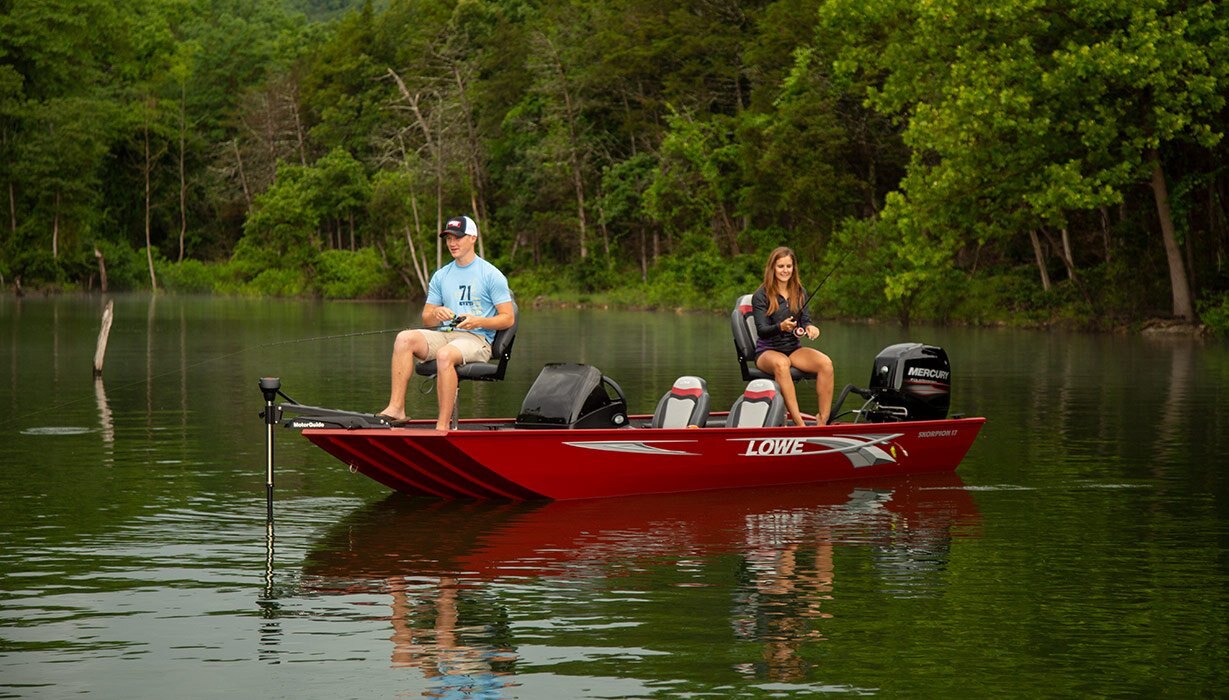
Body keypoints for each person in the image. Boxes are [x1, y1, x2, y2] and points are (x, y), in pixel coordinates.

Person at [377, 215, 514, 430]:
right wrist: (437, 313)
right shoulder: (442, 275)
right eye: (449, 238)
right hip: (446, 334)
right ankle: (396, 409)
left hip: (478, 339)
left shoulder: (491, 275)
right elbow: (427, 317)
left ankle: (442, 426)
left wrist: (477, 321)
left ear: (473, 238)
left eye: (458, 238)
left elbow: (508, 318)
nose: (452, 243)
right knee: (404, 338)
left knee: (444, 355)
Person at [751, 246, 835, 426]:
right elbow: (762, 330)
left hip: (793, 349)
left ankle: (822, 421)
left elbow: (805, 321)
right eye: (780, 266)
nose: (785, 270)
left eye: (788, 266)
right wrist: (780, 327)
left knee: (826, 364)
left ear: (793, 268)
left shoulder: (800, 292)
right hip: (767, 351)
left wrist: (810, 328)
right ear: (773, 268)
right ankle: (799, 423)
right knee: (782, 363)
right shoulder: (760, 295)